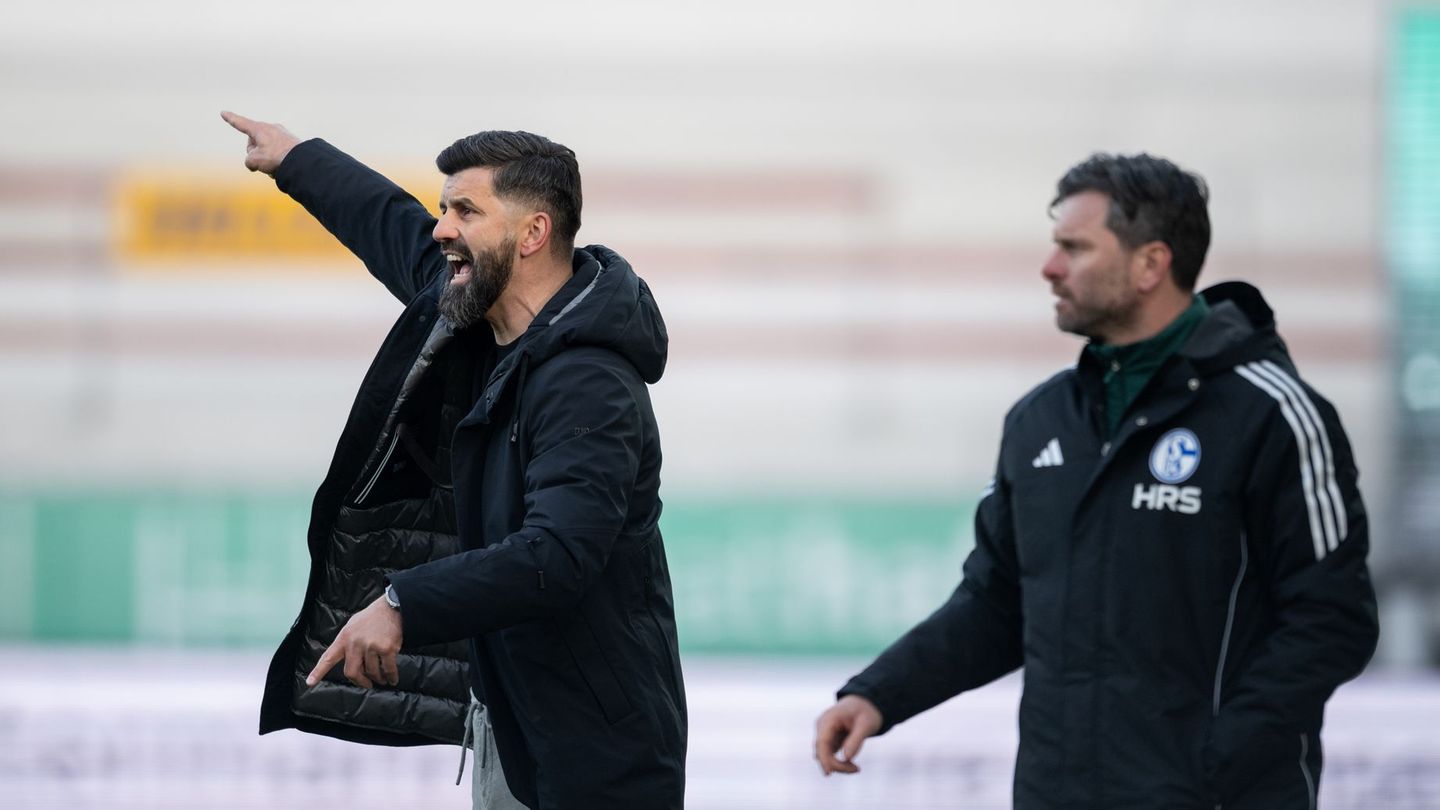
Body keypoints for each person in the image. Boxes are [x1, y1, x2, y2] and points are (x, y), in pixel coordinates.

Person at [813, 153, 1379, 809]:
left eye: (1074, 248)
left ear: (1150, 264)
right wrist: (880, 693)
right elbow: (997, 604)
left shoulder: (1273, 414)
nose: (1050, 268)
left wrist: (1222, 757)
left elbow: (1334, 618)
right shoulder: (1041, 420)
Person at [223, 111, 687, 810]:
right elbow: (393, 230)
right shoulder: (482, 326)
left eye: (465, 210)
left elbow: (558, 554)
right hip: (513, 728)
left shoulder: (587, 382)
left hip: (596, 757)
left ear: (533, 233)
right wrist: (296, 160)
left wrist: (404, 604)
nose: (442, 227)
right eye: (444, 208)